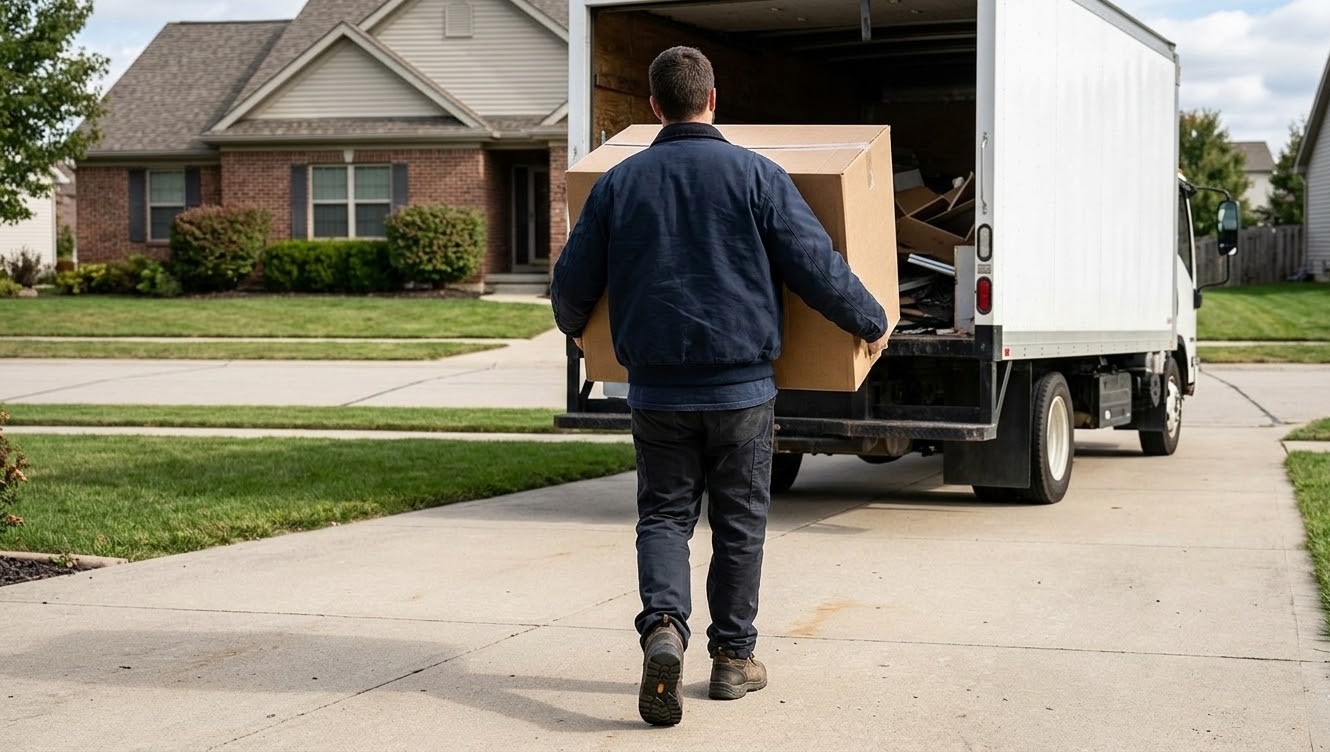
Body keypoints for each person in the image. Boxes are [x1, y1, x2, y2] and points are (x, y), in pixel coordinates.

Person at [550, 45, 889, 726]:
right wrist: (871, 320)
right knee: (739, 527)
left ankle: (664, 629)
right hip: (742, 392)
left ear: (653, 107)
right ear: (713, 98)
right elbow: (815, 267)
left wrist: (573, 326)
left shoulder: (619, 183)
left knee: (665, 517)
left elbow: (572, 286)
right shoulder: (757, 176)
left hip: (656, 392)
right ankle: (733, 660)